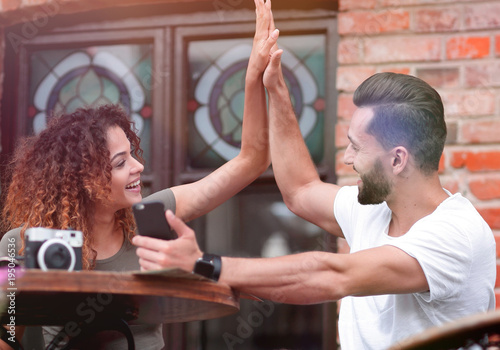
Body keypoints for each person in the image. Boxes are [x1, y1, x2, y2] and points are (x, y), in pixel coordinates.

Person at [132, 4, 496, 349]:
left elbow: (332, 274)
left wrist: (202, 263)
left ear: (398, 160)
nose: (348, 158)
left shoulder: (455, 235)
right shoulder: (376, 209)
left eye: (357, 147)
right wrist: (273, 87)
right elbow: (301, 189)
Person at [0, 1, 278, 348]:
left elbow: (251, 161)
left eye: (132, 154)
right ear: (83, 181)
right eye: (120, 163)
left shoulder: (150, 217)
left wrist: (252, 78)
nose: (139, 167)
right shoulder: (22, 242)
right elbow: (8, 335)